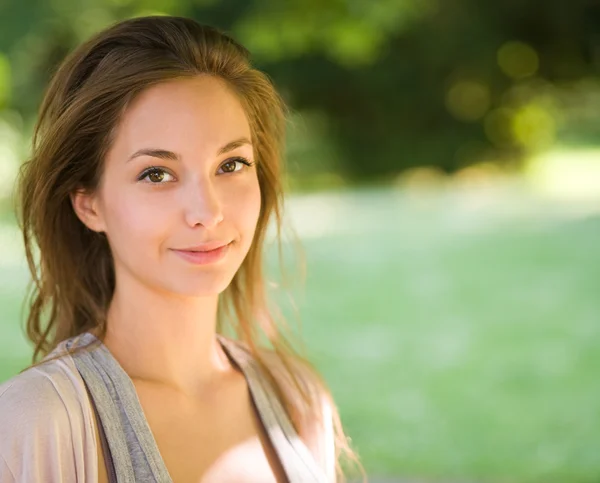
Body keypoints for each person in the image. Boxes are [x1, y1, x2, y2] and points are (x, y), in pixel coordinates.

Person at [0, 15, 363, 483]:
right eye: (157, 174)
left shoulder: (298, 400)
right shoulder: (38, 421)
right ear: (89, 205)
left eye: (231, 164)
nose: (206, 212)